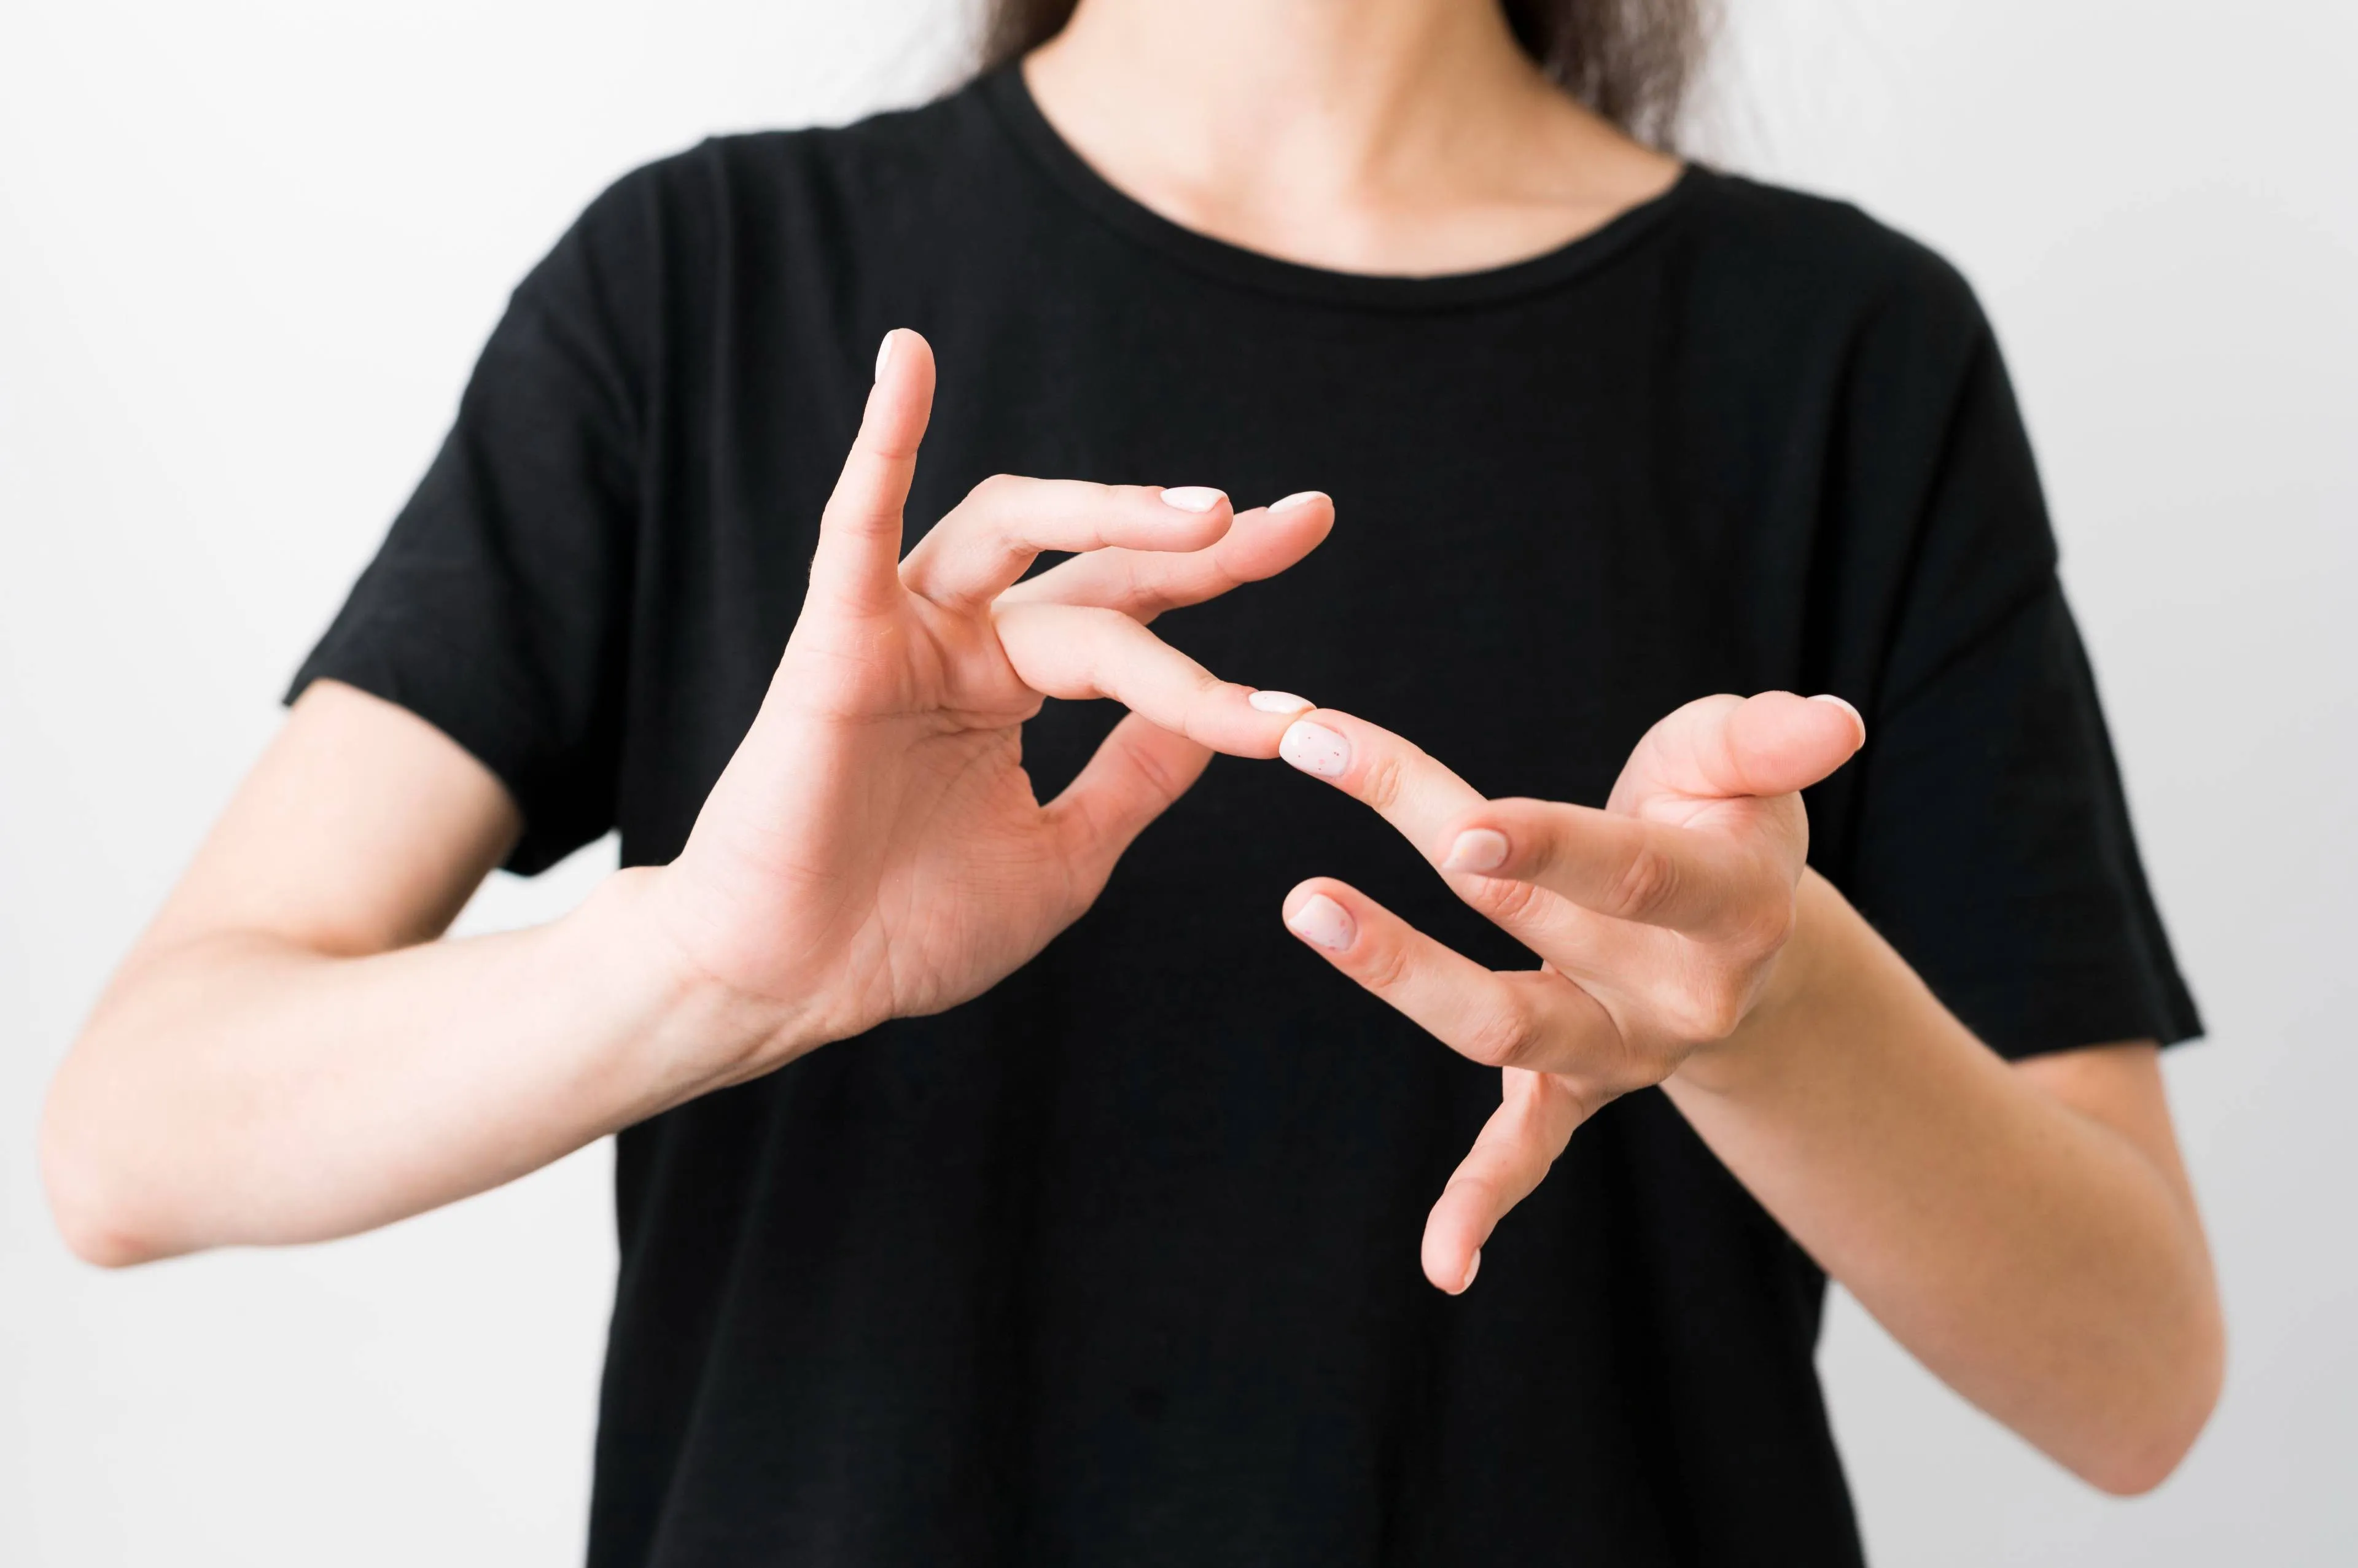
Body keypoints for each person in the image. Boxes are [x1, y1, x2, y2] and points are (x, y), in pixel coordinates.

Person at [41, 0, 2224, 1561]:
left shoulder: (1845, 353)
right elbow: (134, 1137)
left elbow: (2135, 1381)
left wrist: (1777, 1009)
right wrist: (704, 965)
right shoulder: (702, 284)